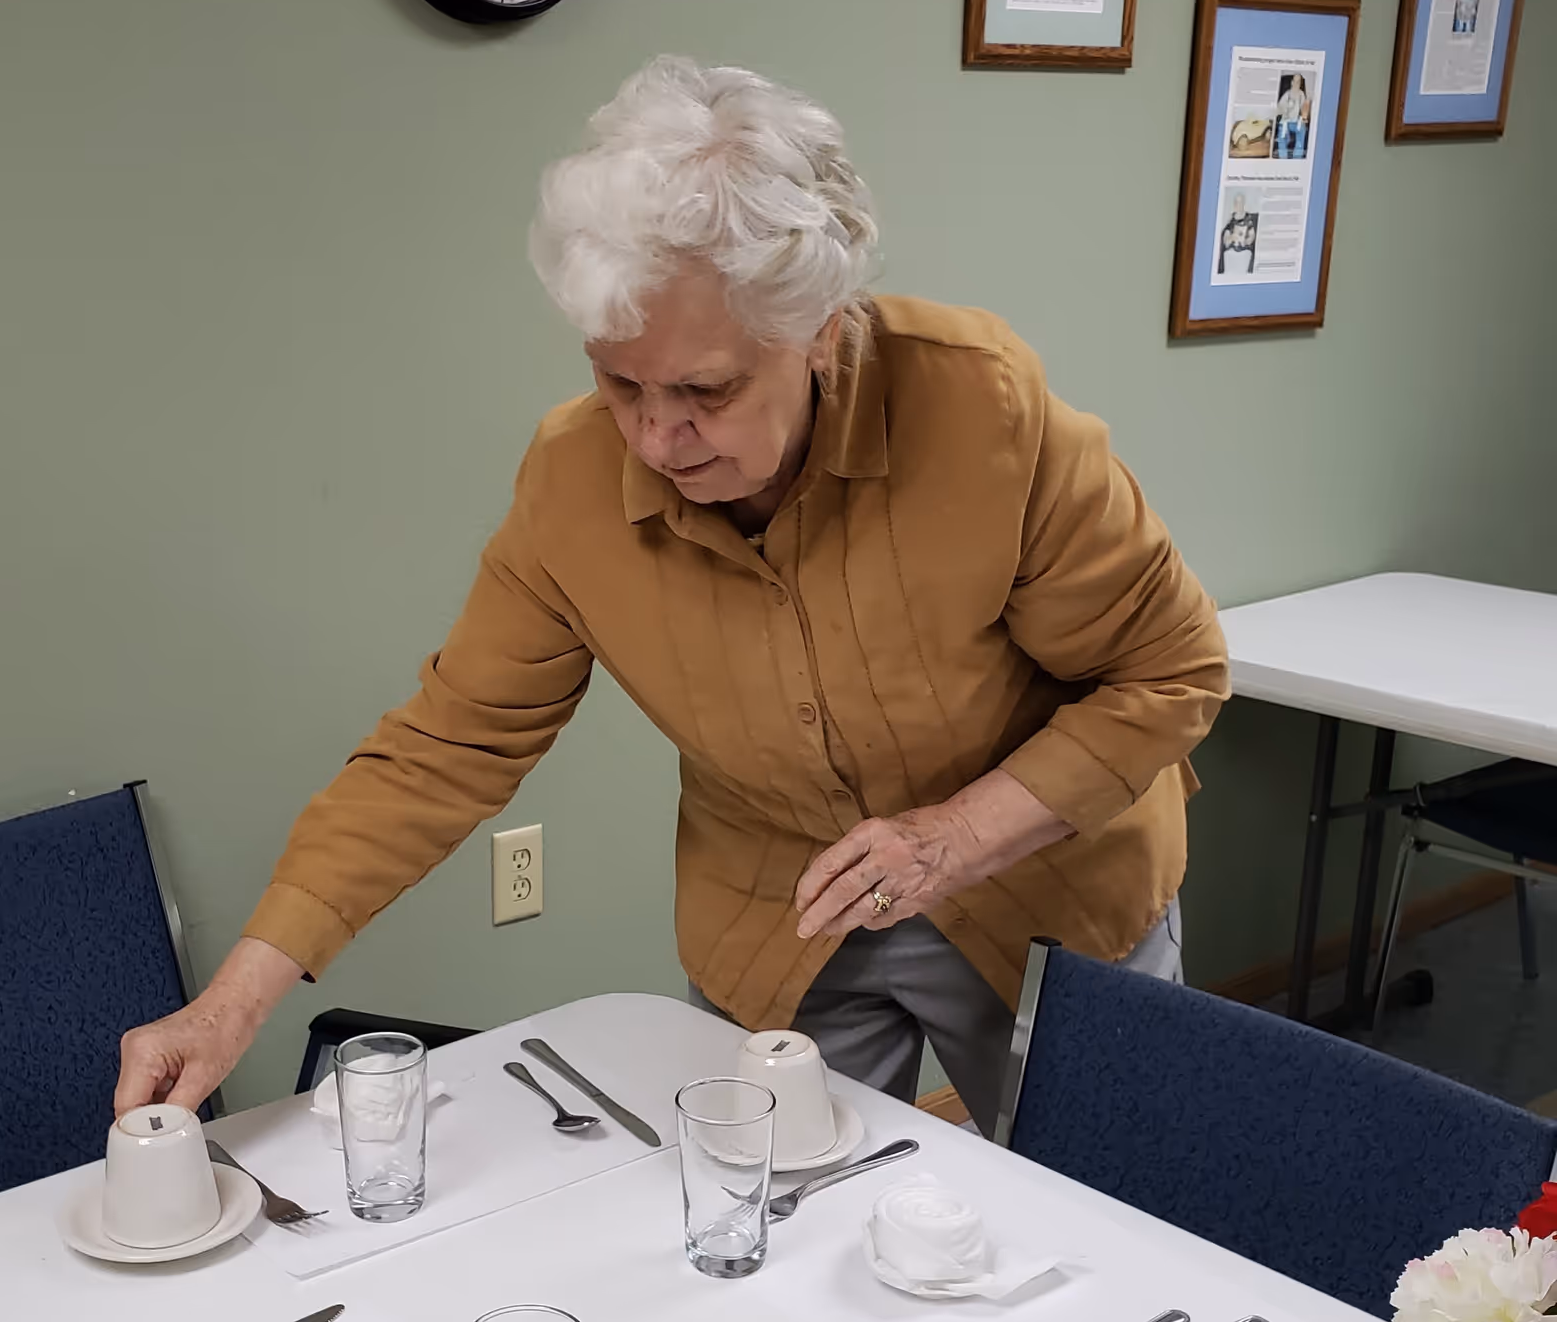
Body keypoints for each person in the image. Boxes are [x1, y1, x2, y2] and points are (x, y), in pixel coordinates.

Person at [117, 59, 1228, 1137]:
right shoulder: (571, 483)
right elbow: (444, 748)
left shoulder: (981, 408)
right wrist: (235, 999)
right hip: (784, 921)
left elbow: (1172, 671)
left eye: (706, 389)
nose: (655, 437)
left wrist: (952, 838)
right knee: (767, 1233)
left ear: (822, 330)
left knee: (1123, 1213)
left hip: (1048, 883)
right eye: (620, 382)